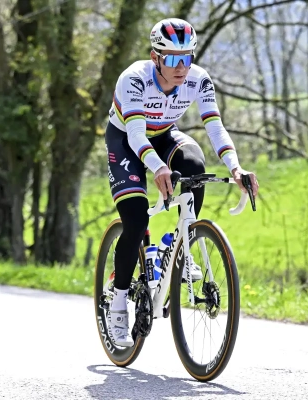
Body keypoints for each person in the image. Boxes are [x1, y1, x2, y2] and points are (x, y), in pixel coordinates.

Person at [104, 18, 259, 347]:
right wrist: (158, 167)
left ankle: (178, 246)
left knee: (194, 166)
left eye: (186, 58)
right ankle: (117, 304)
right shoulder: (134, 79)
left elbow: (214, 127)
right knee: (136, 219)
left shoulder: (198, 79)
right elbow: (135, 134)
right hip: (126, 139)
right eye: (173, 59)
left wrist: (235, 168)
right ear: (155, 57)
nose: (181, 67)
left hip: (163, 135)